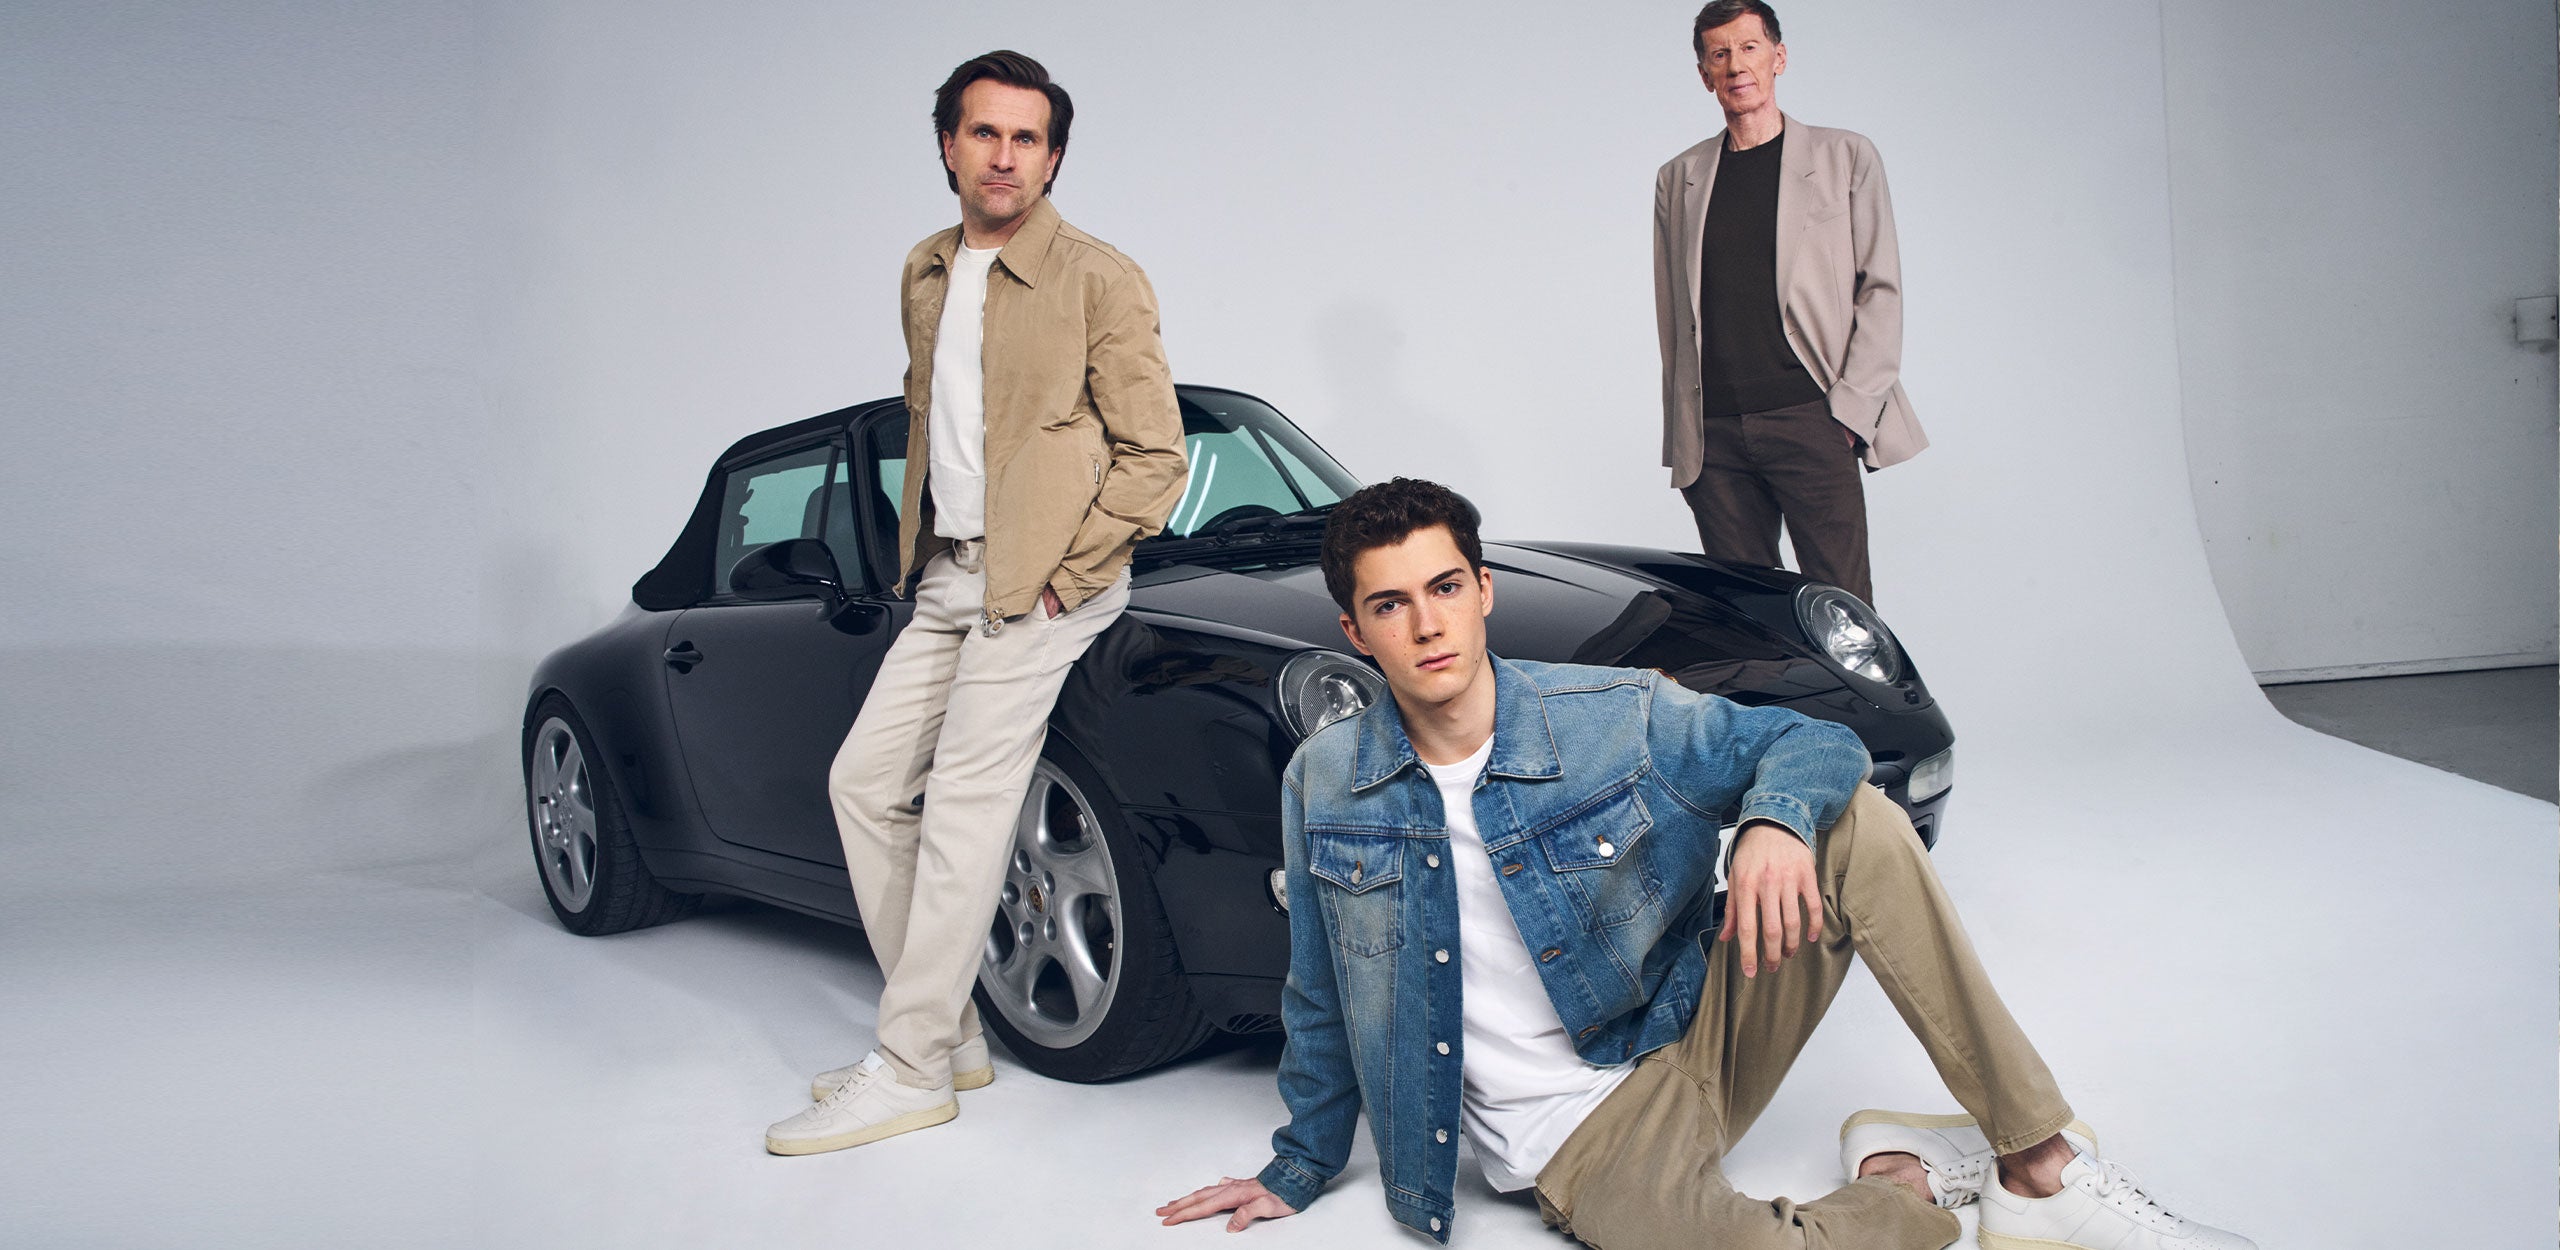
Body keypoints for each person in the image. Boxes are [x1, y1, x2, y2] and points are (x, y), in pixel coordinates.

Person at [1156, 479, 2251, 1249]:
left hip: (1690, 1027)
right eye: (1391, 604)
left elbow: (1814, 742)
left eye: (1444, 588)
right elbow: (1317, 988)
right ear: (1355, 629)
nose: (1426, 623)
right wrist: (1295, 1165)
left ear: (1483, 589)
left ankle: (2037, 1161)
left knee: (1851, 819)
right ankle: (1905, 1178)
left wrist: (1774, 822)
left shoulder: (1608, 714)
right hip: (1580, 1137)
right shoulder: (1327, 779)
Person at [764, 49, 1186, 1156]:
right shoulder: (924, 269)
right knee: (862, 783)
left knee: (962, 805)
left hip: (1046, 581)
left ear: (1052, 158)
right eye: (984, 133)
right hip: (949, 573)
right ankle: (946, 1029)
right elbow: (939, 428)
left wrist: (1066, 570)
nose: (1005, 156)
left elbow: (1155, 454)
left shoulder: (1100, 276)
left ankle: (904, 1068)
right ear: (948, 144)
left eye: (1028, 138)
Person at [1655, 0, 1925, 605]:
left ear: (1779, 57)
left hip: (1812, 418)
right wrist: (1684, 432)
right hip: (1714, 436)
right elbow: (1673, 315)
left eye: (1749, 48)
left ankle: (1853, 709)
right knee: (1746, 621)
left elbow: (1880, 289)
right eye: (1718, 54)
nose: (1735, 65)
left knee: (1843, 612)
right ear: (1704, 73)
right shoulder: (1679, 177)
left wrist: (1849, 414)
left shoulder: (1845, 156)